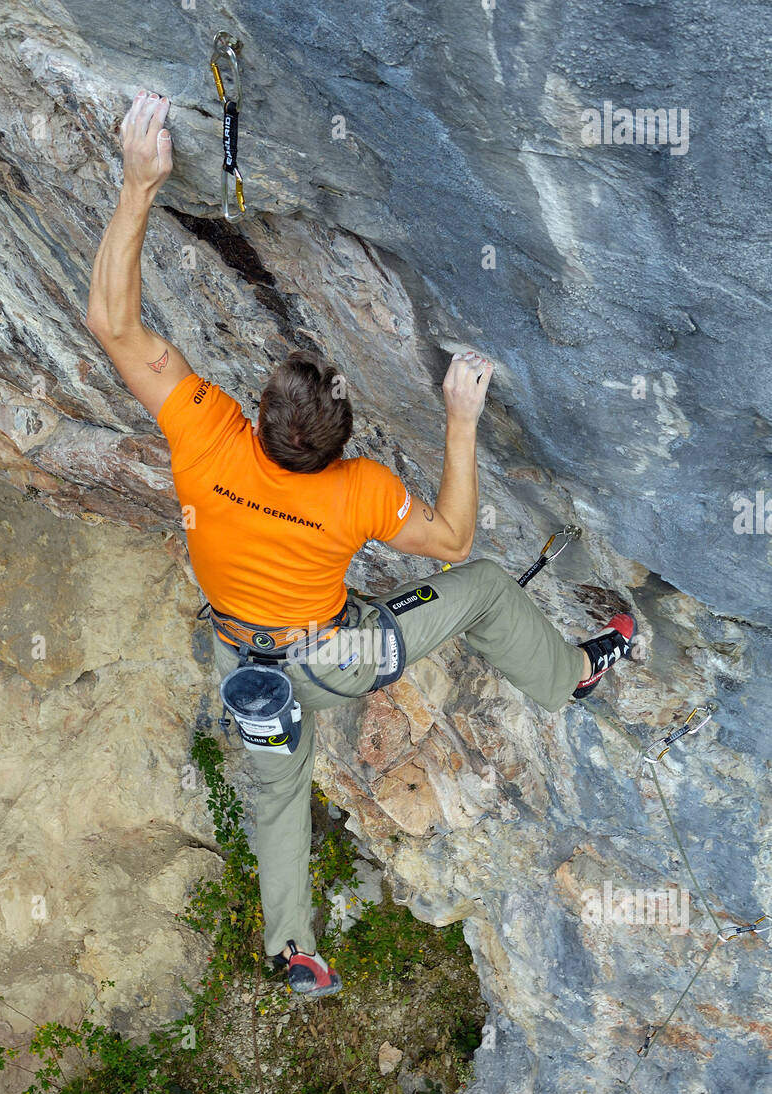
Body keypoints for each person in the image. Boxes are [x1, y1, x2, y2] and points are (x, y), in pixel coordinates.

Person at [87, 92, 636, 998]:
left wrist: (138, 183)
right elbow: (455, 539)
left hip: (247, 660)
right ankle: (566, 676)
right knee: (490, 586)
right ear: (341, 443)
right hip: (339, 654)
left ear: (256, 414)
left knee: (276, 794)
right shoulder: (361, 492)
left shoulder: (204, 432)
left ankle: (291, 947)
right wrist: (460, 419)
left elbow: (113, 323)